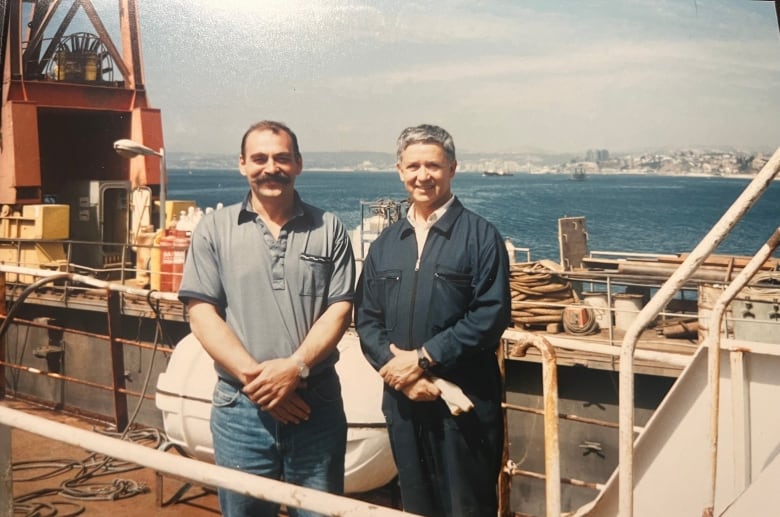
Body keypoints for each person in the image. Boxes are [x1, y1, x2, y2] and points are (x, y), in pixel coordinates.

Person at [178, 120, 355, 516]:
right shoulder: (213, 229)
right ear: (242, 164)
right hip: (241, 410)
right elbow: (201, 313)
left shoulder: (330, 229)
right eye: (259, 158)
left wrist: (295, 367)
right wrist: (259, 383)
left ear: (298, 164)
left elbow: (339, 309)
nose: (270, 167)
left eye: (281, 158)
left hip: (315, 405)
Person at [355, 124, 511, 516]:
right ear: (399, 171)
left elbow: (490, 315)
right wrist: (402, 376)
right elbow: (368, 319)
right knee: (416, 506)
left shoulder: (479, 237)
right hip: (404, 403)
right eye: (413, 166)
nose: (422, 176)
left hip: (464, 407)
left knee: (467, 508)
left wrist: (423, 358)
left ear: (453, 169)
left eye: (433, 166)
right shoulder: (386, 245)